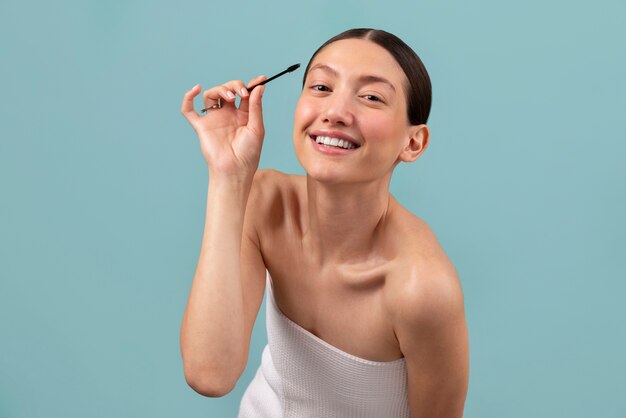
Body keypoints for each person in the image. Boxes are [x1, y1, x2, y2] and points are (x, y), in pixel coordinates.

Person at [179, 28, 469, 417]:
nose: (335, 112)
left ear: (413, 143)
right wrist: (228, 176)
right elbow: (210, 375)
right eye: (320, 87)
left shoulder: (422, 288)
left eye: (371, 97)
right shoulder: (265, 204)